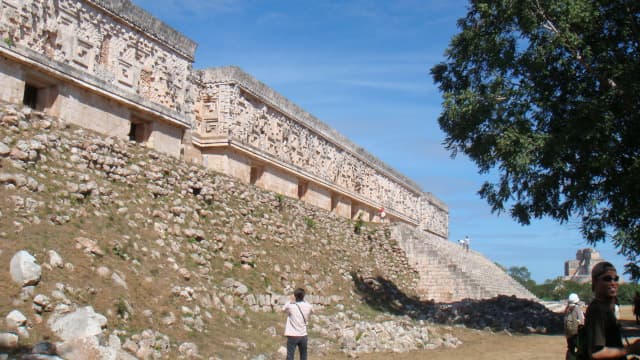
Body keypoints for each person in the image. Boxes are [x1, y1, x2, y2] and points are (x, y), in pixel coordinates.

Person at [583, 262, 640, 359]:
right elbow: (597, 353)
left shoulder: (607, 309)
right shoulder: (597, 310)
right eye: (607, 279)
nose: (613, 283)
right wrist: (630, 349)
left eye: (616, 279)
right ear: (595, 281)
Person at [283, 288, 313, 360]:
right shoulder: (308, 306)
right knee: (303, 355)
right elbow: (312, 310)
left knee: (290, 356)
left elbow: (283, 309)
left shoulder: (291, 306)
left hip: (292, 334)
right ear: (303, 296)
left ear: (295, 296)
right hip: (303, 335)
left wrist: (290, 300)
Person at [565, 293, 584, 359]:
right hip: (576, 333)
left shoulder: (567, 309)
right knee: (581, 349)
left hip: (568, 333)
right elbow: (581, 321)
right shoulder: (577, 308)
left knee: (570, 349)